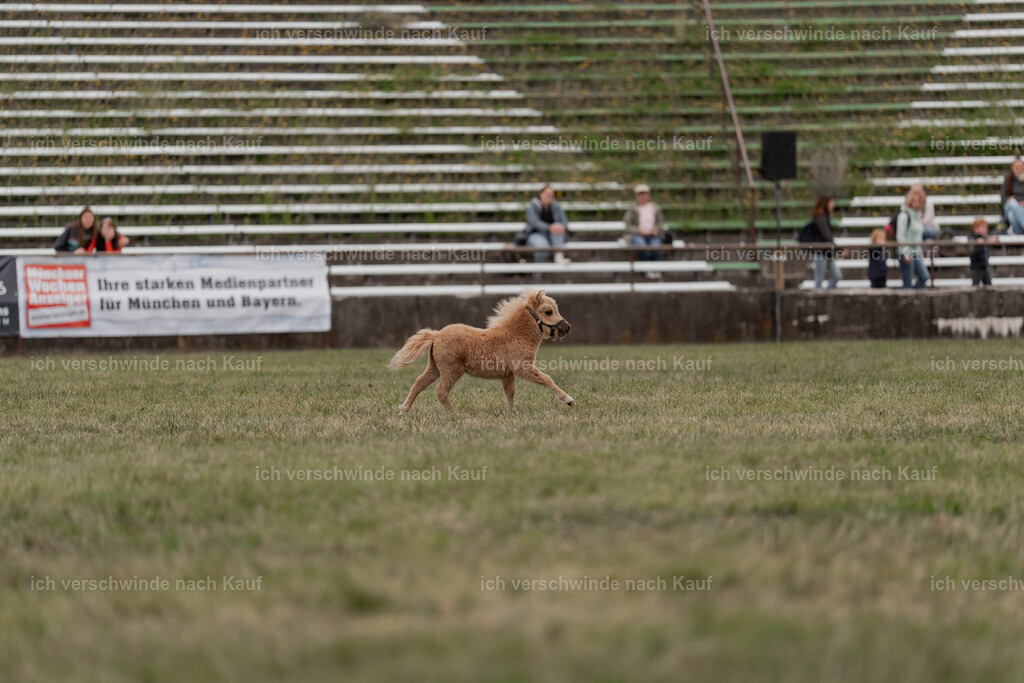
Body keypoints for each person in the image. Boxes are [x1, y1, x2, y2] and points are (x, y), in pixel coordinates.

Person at [520, 184, 570, 264]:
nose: (549, 196)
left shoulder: (556, 205)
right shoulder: (533, 205)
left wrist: (562, 227)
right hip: (536, 234)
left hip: (554, 236)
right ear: (541, 194)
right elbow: (534, 222)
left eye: (551, 194)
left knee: (558, 226)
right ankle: (539, 268)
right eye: (547, 194)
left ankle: (558, 255)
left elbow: (565, 222)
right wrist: (549, 227)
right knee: (542, 246)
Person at [897, 188, 929, 289]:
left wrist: (920, 252)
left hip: (916, 252)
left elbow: (918, 236)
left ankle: (911, 297)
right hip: (906, 253)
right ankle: (906, 300)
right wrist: (906, 253)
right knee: (907, 282)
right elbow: (900, 236)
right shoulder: (904, 215)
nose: (916, 202)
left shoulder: (918, 215)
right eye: (913, 200)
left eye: (918, 200)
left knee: (924, 277)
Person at [808, 195, 841, 289]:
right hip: (820, 252)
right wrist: (839, 249)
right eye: (831, 202)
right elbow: (827, 236)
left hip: (827, 252)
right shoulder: (820, 217)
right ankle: (818, 300)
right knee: (819, 280)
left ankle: (825, 295)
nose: (833, 205)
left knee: (837, 276)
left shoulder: (824, 217)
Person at [969, 217, 996, 286]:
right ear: (976, 228)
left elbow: (992, 239)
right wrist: (976, 244)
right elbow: (971, 249)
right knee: (975, 284)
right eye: (983, 228)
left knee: (988, 285)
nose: (986, 230)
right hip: (976, 266)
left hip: (984, 266)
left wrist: (994, 239)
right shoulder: (972, 237)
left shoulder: (984, 237)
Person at [1002, 157, 1024, 235]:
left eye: (1020, 167)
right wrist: (1017, 202)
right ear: (1012, 168)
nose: (1018, 169)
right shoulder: (1008, 180)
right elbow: (1003, 198)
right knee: (1012, 203)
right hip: (1010, 205)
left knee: (1012, 215)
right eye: (1016, 167)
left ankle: (1019, 234)